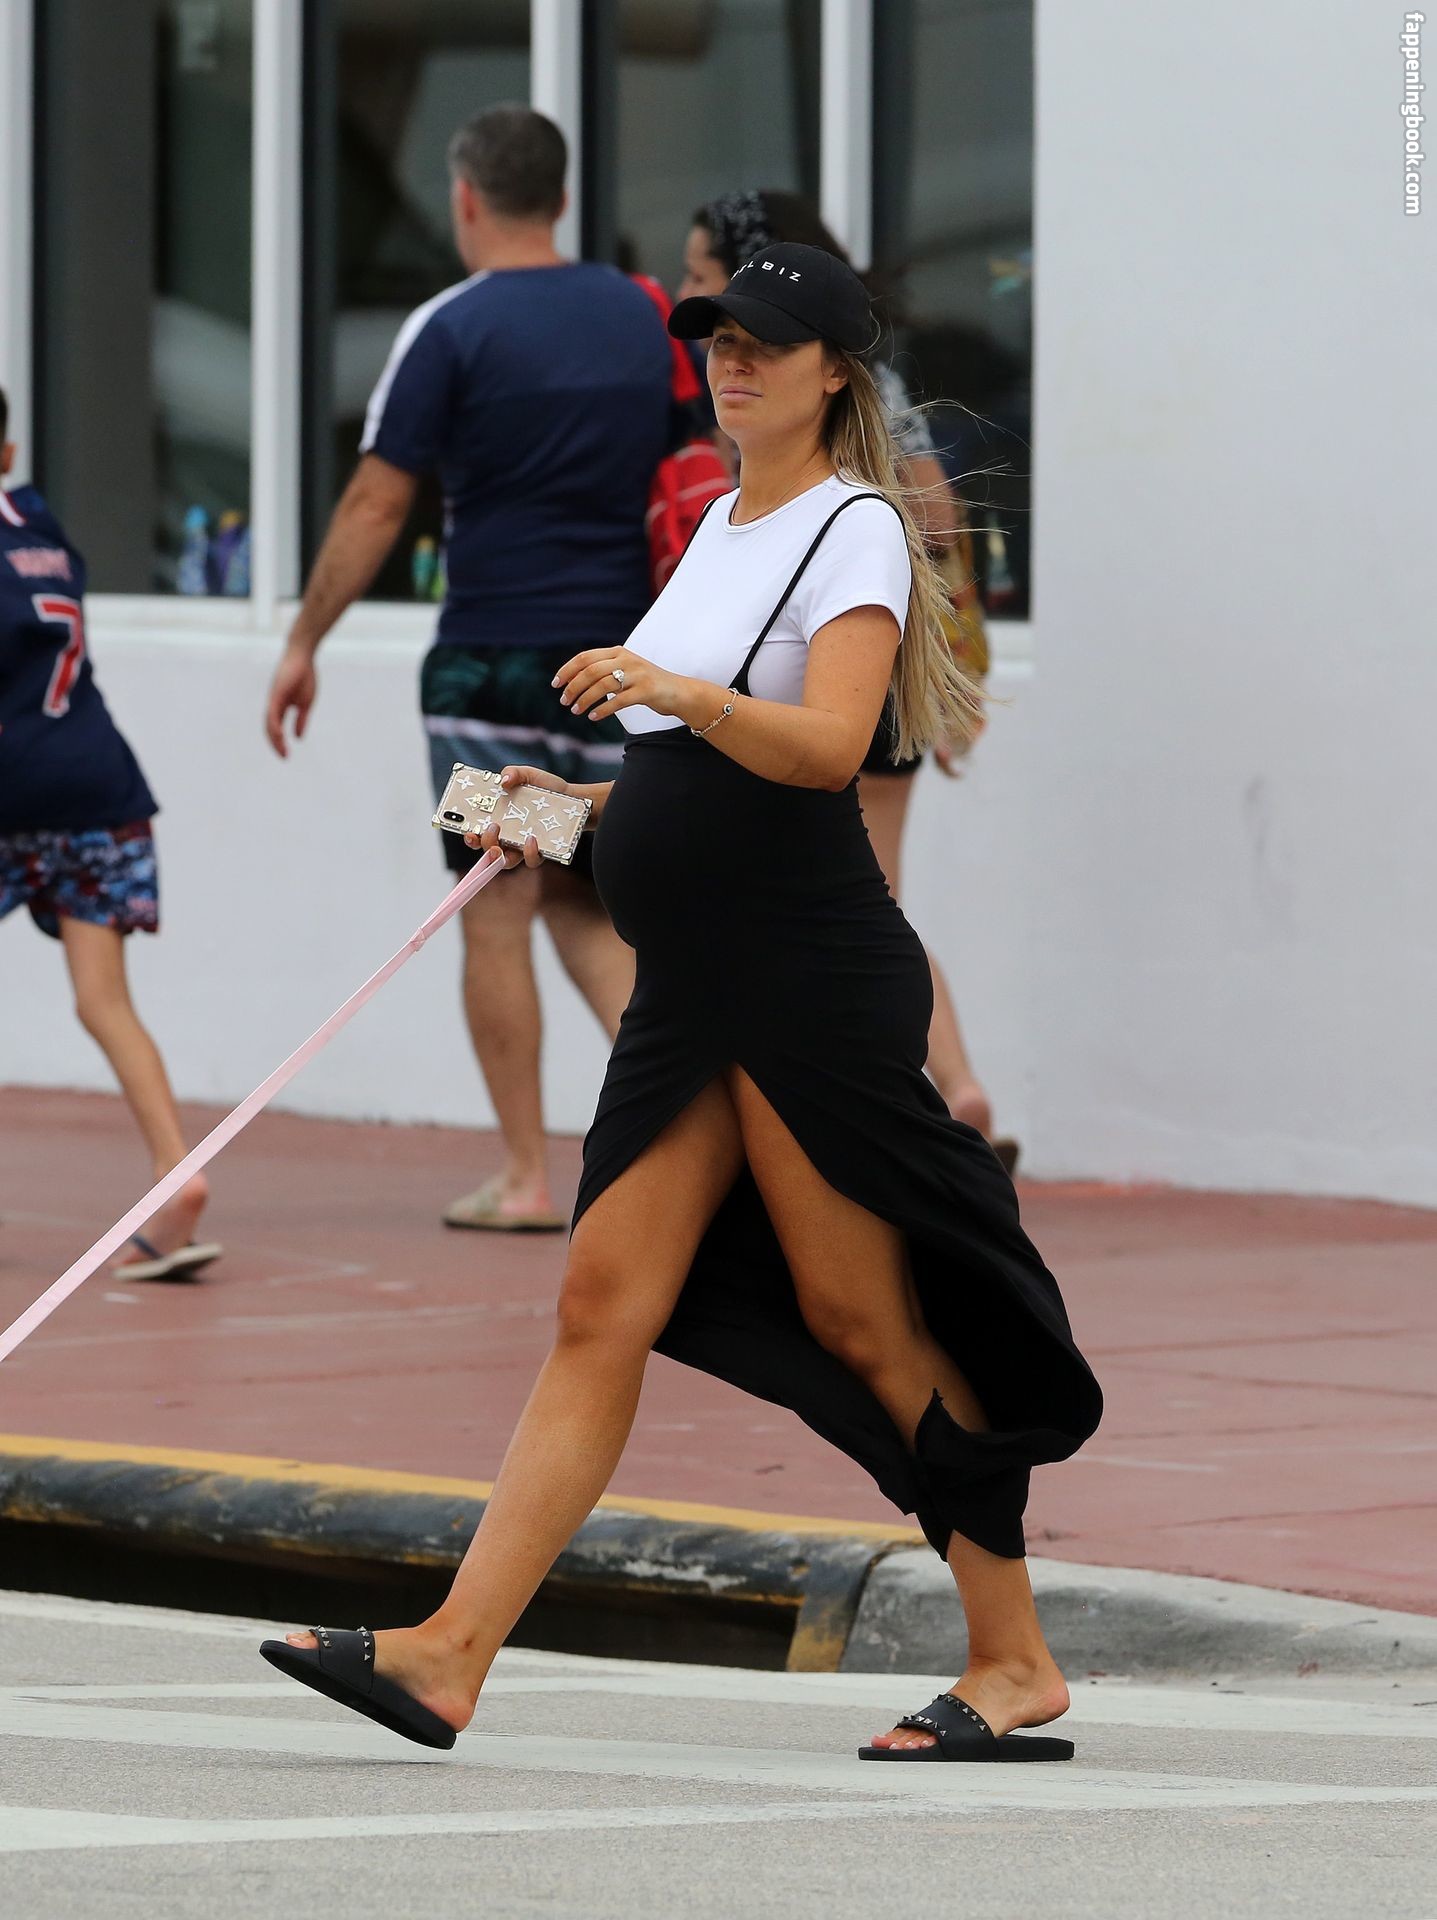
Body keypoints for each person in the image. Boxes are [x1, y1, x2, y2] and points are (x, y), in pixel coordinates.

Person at [262, 245, 1102, 1764]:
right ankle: (448, 1656)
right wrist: (565, 805)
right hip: (698, 990)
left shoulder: (850, 527)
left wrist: (675, 696)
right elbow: (689, 773)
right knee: (601, 1303)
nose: (732, 362)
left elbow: (826, 746)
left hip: (798, 980)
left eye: (765, 342)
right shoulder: (721, 522)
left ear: (834, 371)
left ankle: (1014, 1657)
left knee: (863, 1321)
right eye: (716, 339)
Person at [264, 106, 672, 1231]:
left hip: (488, 675)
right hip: (612, 669)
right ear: (563, 197)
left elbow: (376, 500)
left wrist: (303, 642)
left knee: (498, 901)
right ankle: (692, 1137)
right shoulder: (641, 318)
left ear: (465, 198)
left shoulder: (448, 326)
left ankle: (528, 1177)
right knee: (586, 901)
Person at [681, 189, 1014, 1163]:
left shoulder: (835, 469)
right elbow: (940, 517)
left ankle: (904, 1102)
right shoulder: (861, 379)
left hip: (843, 673)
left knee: (850, 909)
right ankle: (952, 1084)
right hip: (880, 671)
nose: (692, 292)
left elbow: (932, 514)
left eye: (701, 272)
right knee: (870, 901)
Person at [0, 389, 219, 1283]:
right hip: (96, 781)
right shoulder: (39, 524)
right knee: (105, 1002)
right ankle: (177, 1172)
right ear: (7, 451)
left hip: (12, 785)